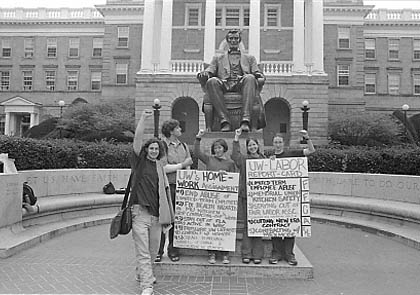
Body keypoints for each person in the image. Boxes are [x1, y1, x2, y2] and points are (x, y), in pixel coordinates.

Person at [130, 109, 175, 295]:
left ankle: (143, 274)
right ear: (146, 150)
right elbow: (137, 139)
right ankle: (147, 285)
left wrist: (167, 219)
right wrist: (143, 119)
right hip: (140, 213)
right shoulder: (138, 162)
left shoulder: (160, 167)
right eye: (151, 148)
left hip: (157, 216)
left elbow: (165, 193)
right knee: (143, 252)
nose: (154, 151)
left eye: (157, 149)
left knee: (154, 250)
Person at [197, 29, 266, 132]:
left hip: (241, 84)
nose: (233, 40)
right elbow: (210, 70)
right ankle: (224, 121)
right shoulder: (218, 58)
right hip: (224, 85)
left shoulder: (250, 58)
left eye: (236, 38)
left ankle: (245, 121)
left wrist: (260, 78)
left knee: (250, 78)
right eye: (231, 38)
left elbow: (258, 73)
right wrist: (205, 73)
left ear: (239, 40)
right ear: (227, 41)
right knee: (212, 81)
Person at [269, 131, 315, 266]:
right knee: (275, 226)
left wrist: (307, 138)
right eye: (275, 142)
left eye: (279, 142)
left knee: (290, 226)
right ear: (273, 144)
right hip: (275, 198)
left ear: (284, 143)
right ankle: (276, 253)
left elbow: (311, 151)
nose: (277, 144)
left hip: (290, 197)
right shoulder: (270, 158)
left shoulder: (292, 154)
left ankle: (289, 254)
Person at [194, 129, 236, 264]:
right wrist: (198, 138)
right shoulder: (209, 159)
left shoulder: (230, 163)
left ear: (224, 149)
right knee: (211, 227)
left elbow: (235, 179)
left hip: (225, 200)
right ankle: (211, 253)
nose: (218, 150)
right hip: (211, 199)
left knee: (225, 226)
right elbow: (197, 153)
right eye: (216, 148)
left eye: (220, 147)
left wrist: (227, 176)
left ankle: (225, 254)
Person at [157, 119, 193, 262]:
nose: (180, 130)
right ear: (171, 131)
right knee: (165, 218)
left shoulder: (183, 145)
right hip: (167, 186)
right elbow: (163, 168)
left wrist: (188, 177)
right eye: (177, 128)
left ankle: (173, 249)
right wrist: (182, 165)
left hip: (181, 187)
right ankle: (159, 250)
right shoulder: (162, 146)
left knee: (177, 220)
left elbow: (188, 164)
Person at [231, 128, 265, 264]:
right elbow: (235, 155)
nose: (252, 147)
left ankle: (257, 254)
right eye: (249, 145)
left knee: (258, 225)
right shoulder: (243, 159)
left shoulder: (264, 159)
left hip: (261, 197)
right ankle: (246, 253)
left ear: (258, 146)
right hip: (246, 196)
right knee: (247, 225)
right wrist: (236, 138)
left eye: (254, 144)